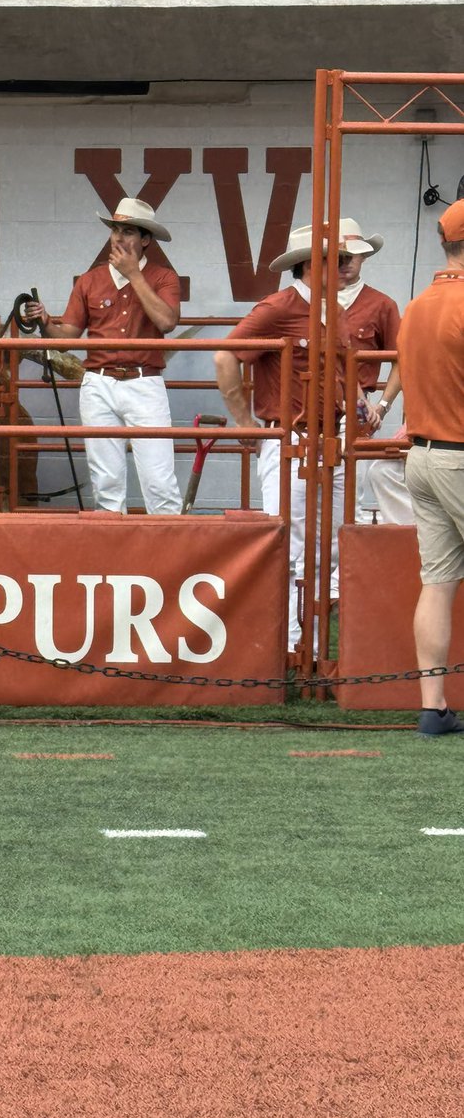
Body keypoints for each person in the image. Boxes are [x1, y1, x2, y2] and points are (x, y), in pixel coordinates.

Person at [214, 223, 380, 649]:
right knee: (291, 543)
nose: (347, 267)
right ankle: (290, 644)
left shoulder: (331, 310)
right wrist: (245, 423)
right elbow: (224, 356)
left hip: (328, 436)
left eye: (345, 260)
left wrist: (363, 410)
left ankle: (310, 641)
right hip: (291, 436)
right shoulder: (279, 307)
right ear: (312, 265)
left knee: (330, 543)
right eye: (339, 260)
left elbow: (345, 372)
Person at [23, 198, 182, 515]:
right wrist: (45, 323)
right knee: (106, 486)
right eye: (115, 230)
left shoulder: (164, 277)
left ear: (145, 239)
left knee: (160, 483)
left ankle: (169, 560)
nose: (119, 238)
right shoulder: (89, 280)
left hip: (144, 381)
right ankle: (115, 559)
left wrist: (134, 275)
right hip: (98, 383)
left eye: (128, 231)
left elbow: (167, 322)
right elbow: (66, 339)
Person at [395, 198, 464, 738]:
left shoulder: (417, 304)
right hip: (459, 457)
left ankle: (433, 708)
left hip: (421, 454)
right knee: (437, 582)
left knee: (437, 582)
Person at [334, 217, 405, 521]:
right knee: (307, 496)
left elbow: (401, 359)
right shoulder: (310, 300)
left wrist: (383, 406)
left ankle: (348, 566)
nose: (347, 262)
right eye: (340, 256)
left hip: (357, 409)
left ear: (364, 257)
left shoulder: (382, 305)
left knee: (352, 498)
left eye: (353, 255)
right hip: (309, 409)